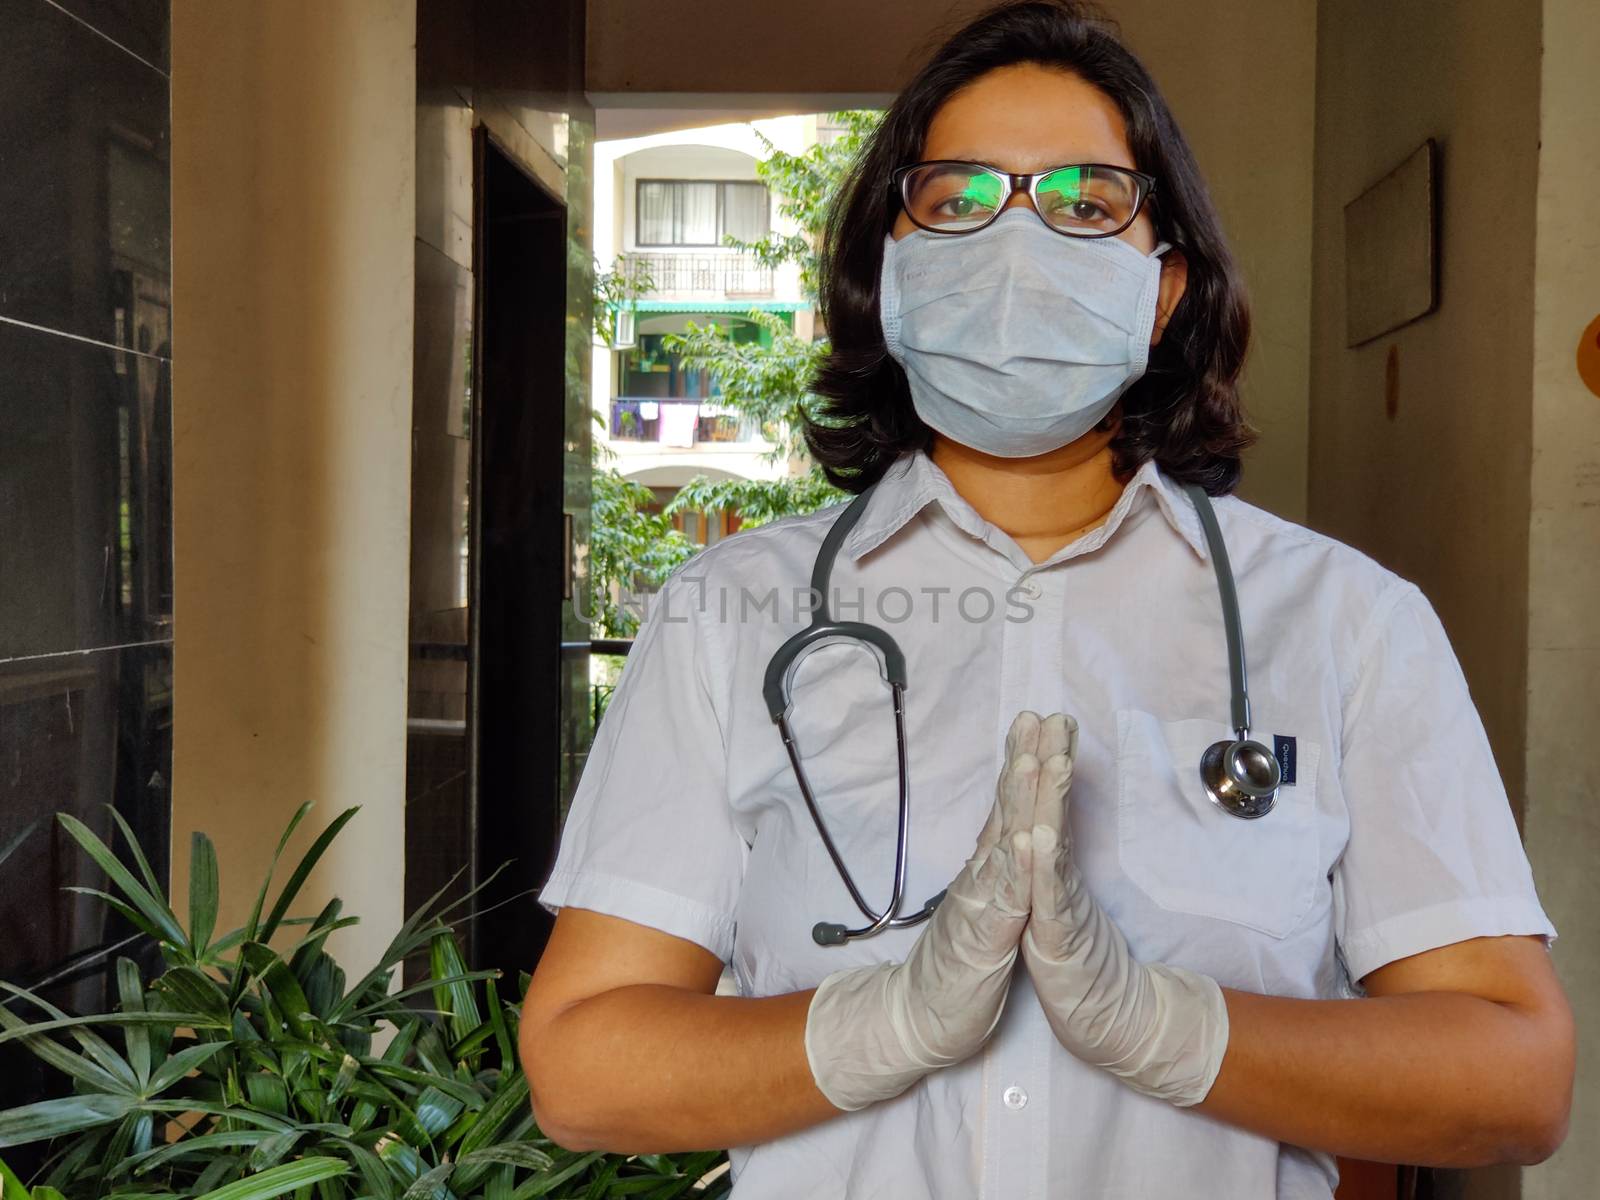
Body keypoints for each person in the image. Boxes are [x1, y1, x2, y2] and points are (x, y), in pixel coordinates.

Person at [520, 2, 1575, 1195]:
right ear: (889, 270)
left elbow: (1513, 1080)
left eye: (1084, 202)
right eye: (958, 199)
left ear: (1162, 287)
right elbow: (583, 1071)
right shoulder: (730, 614)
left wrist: (1167, 1029)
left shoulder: (1345, 622)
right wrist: (890, 1022)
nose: (1016, 242)